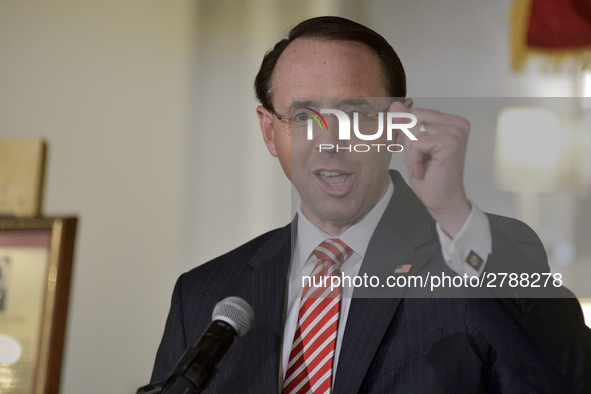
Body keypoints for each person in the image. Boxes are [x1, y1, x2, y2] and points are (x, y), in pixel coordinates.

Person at [145, 16, 591, 393]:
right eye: (303, 116)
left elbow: (570, 375)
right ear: (269, 132)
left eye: (355, 114)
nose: (330, 143)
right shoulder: (203, 294)